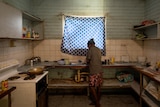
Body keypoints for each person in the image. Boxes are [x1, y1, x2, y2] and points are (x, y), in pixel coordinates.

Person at [86, 39, 103, 107]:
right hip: (100, 70)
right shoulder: (98, 49)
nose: (88, 47)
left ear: (89, 45)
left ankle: (97, 103)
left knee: (92, 87)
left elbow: (88, 60)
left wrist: (87, 61)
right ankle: (96, 101)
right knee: (98, 86)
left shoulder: (90, 50)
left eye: (88, 46)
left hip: (93, 71)